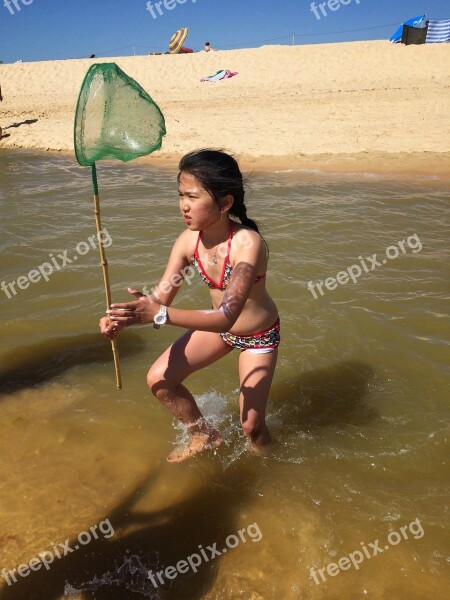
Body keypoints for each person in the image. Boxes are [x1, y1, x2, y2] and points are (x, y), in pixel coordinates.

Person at [99, 150, 280, 462]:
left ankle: (271, 464)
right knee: (159, 380)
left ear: (225, 204)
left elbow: (227, 315)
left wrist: (157, 314)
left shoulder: (247, 244)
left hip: (256, 336)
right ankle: (204, 434)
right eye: (181, 195)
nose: (184, 205)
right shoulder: (188, 241)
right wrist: (126, 317)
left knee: (251, 425)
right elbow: (161, 298)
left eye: (193, 197)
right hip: (218, 330)